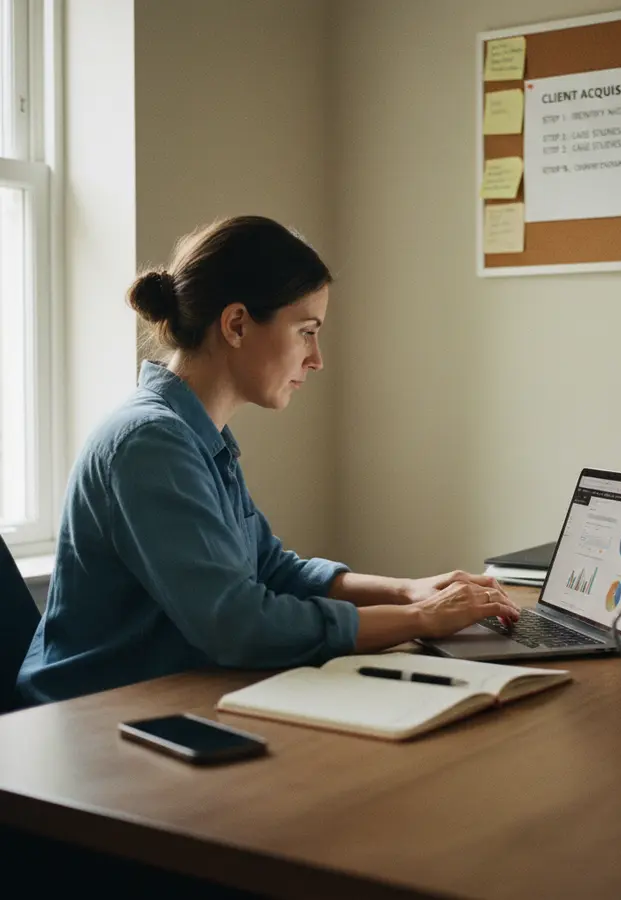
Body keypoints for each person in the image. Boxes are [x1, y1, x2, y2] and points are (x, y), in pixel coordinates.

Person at [16, 216, 519, 706]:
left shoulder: (196, 435)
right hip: (89, 720)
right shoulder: (151, 443)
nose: (316, 358)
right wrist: (422, 619)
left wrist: (409, 592)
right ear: (236, 324)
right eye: (306, 331)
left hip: (168, 697)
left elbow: (271, 570)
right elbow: (238, 624)